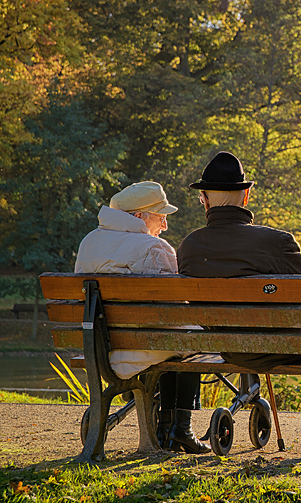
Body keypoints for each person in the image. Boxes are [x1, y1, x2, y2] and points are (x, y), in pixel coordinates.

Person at [177, 151, 301, 458]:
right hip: (281, 346)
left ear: (204, 201)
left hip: (229, 348)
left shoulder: (189, 247)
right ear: (246, 197)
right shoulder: (277, 242)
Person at [74, 181, 209, 454]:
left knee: (176, 338)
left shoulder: (89, 241)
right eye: (161, 217)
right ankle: (179, 429)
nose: (165, 226)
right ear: (138, 217)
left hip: (100, 347)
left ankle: (165, 430)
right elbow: (174, 311)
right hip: (140, 347)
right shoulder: (153, 247)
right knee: (193, 336)